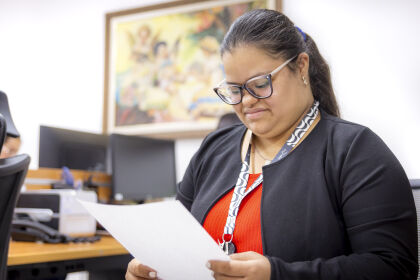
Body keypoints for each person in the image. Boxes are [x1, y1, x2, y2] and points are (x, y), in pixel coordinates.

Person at [126, 9, 418, 280]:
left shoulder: (355, 151)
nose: (247, 100)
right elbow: (175, 238)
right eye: (235, 89)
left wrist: (277, 274)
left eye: (260, 83)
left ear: (301, 67)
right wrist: (150, 266)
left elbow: (393, 266)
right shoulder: (214, 148)